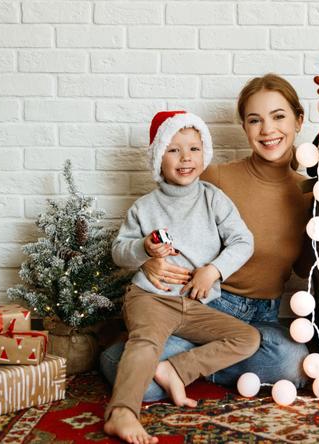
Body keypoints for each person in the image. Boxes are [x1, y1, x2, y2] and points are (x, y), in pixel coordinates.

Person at [100, 74, 311, 402]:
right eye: (255, 120)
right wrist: (150, 263)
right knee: (144, 385)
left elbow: (302, 269)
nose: (268, 129)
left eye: (279, 116)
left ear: (299, 120)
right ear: (245, 127)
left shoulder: (310, 194)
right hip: (203, 302)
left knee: (293, 363)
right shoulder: (213, 177)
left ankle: (181, 366)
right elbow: (157, 224)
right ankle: (153, 360)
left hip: (262, 317)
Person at [104, 110, 260, 444]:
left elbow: (243, 240)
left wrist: (213, 270)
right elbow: (118, 251)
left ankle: (174, 370)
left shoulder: (213, 199)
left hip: (193, 302)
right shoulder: (144, 207)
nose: (185, 157)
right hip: (150, 297)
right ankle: (122, 413)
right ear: (159, 159)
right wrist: (144, 250)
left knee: (247, 338)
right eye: (174, 150)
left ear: (204, 155)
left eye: (193, 148)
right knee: (146, 343)